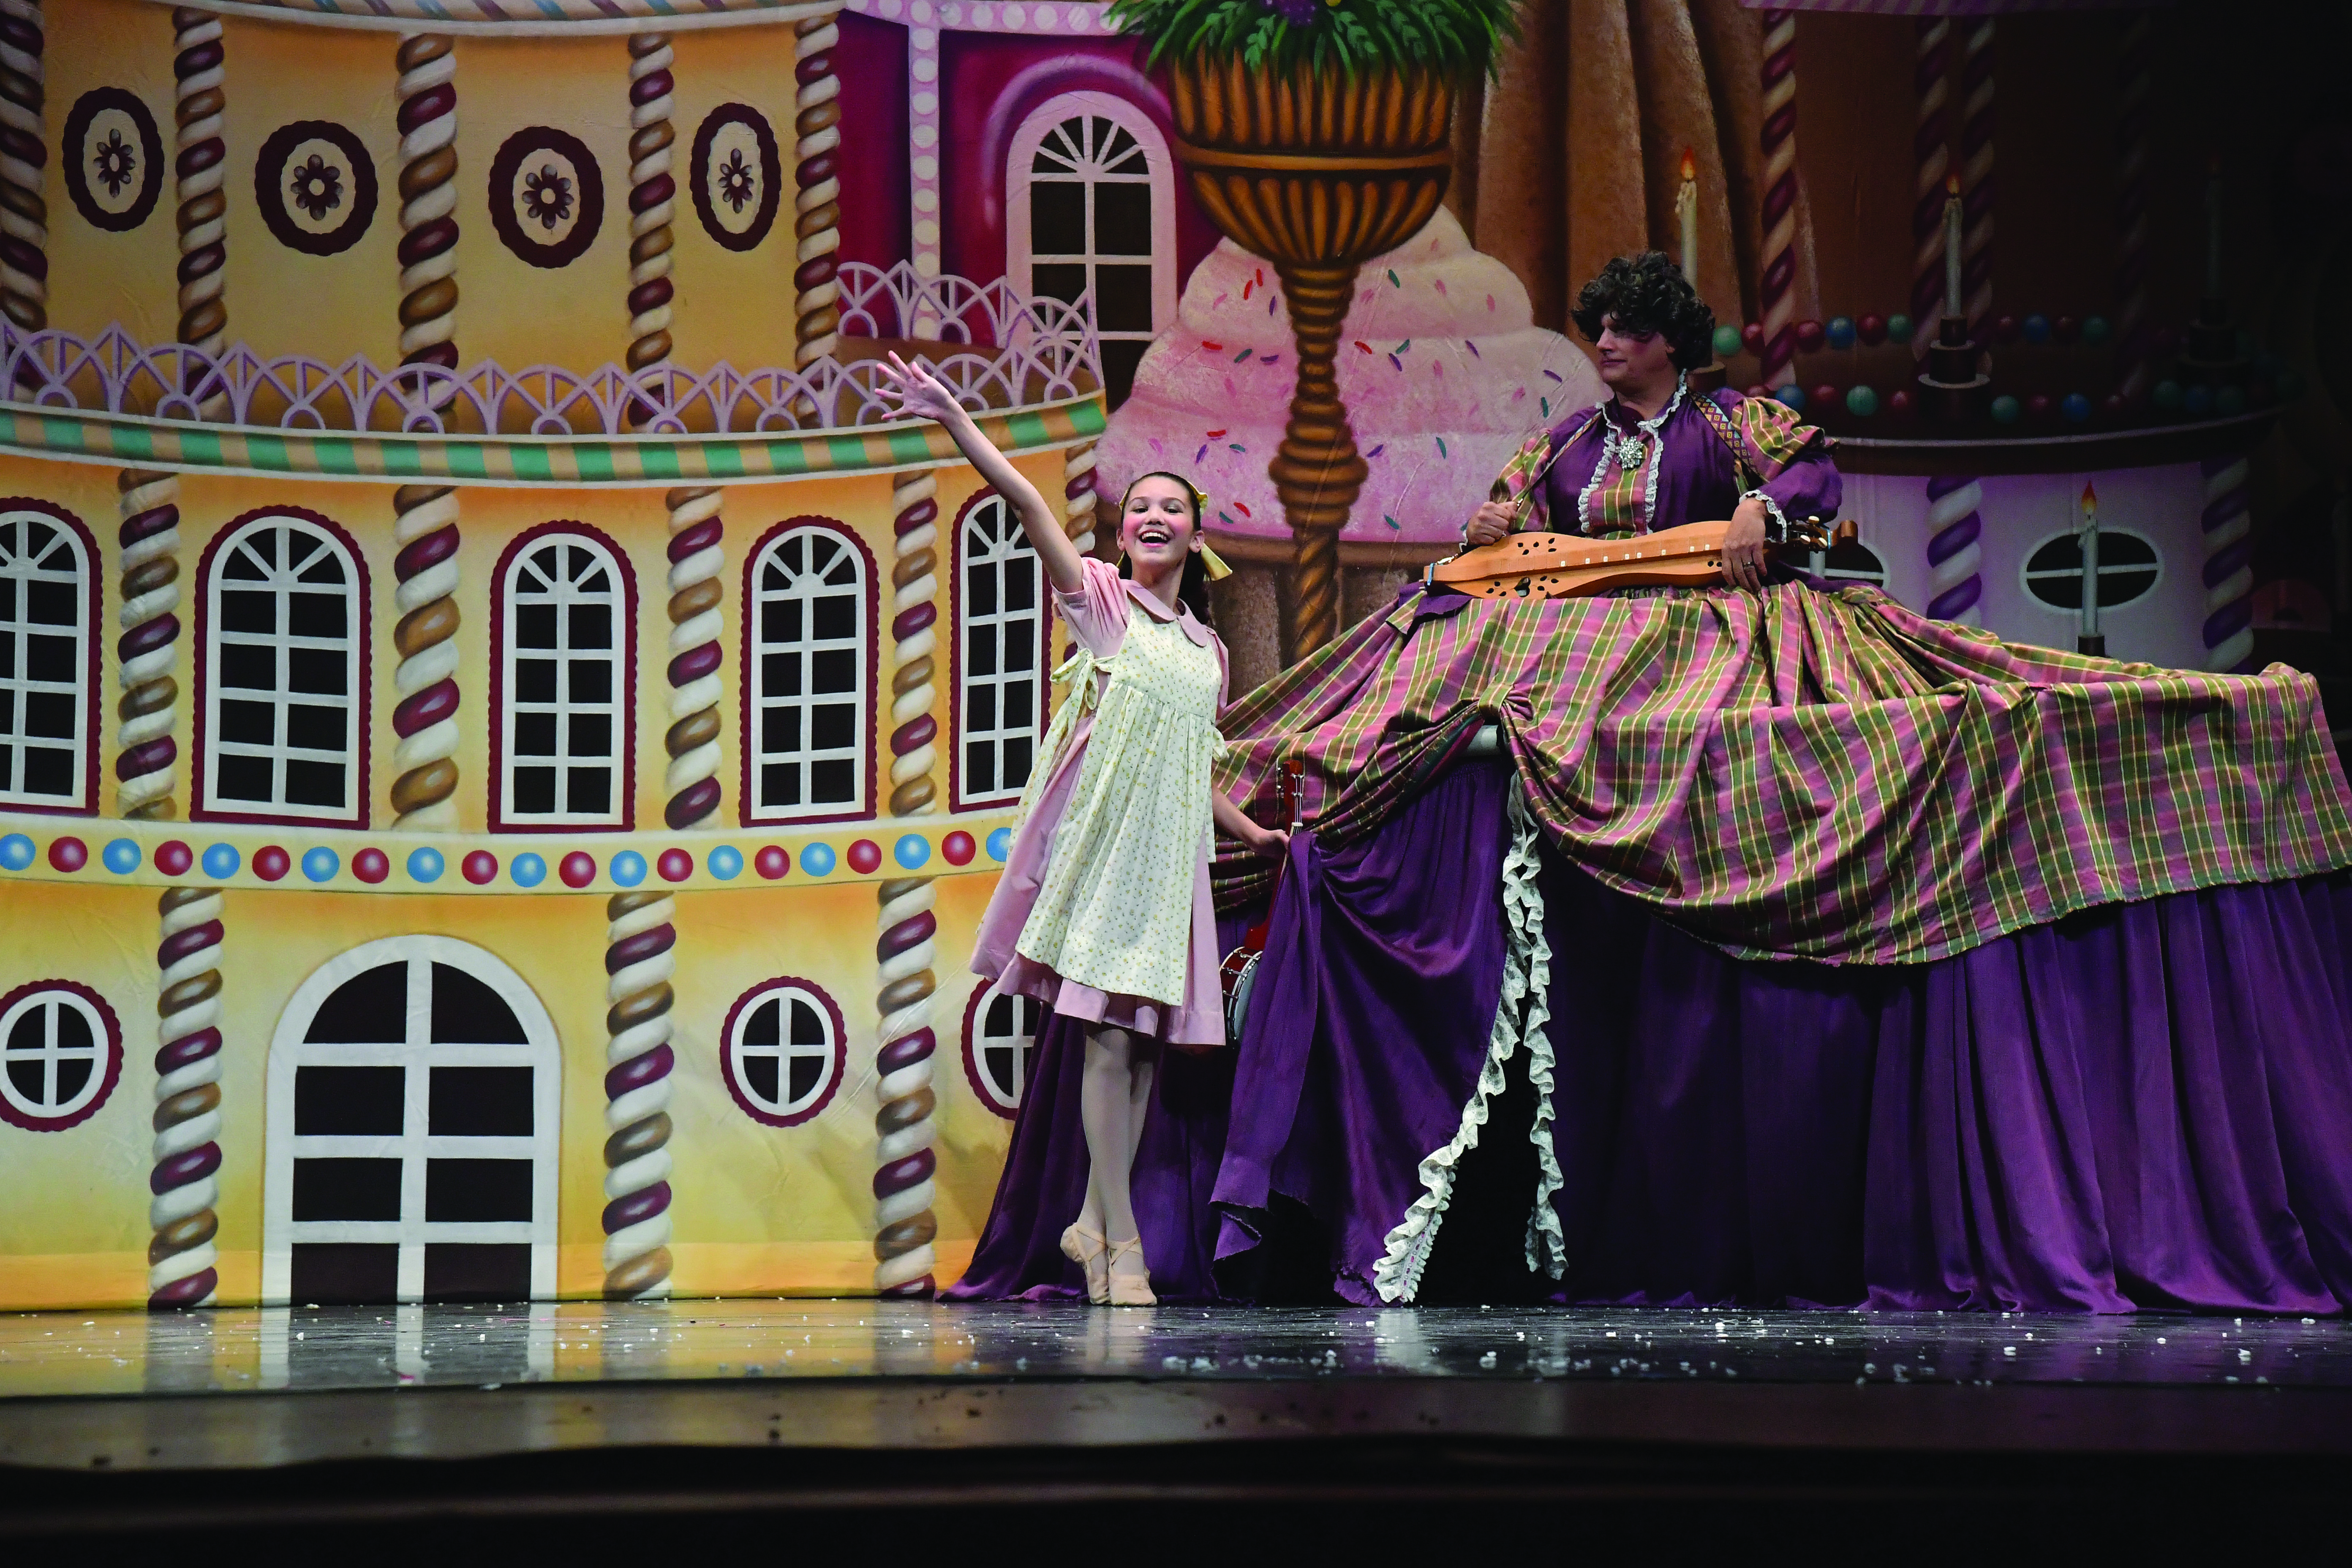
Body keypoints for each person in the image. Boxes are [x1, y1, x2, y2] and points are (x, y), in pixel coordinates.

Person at [879, 352, 1287, 1306]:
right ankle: (1123, 1246)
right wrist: (954, 418)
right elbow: (1025, 502)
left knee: (1140, 1049)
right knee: (1104, 1043)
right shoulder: (1106, 607)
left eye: (1169, 508)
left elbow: (1193, 767)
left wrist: (1246, 833)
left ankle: (1093, 1224)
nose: (1149, 517)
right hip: (1108, 856)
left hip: (1166, 866)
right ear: (1121, 530)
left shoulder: (1207, 653)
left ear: (1196, 537)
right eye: (1136, 506)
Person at [1464, 250, 1840, 591]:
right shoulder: (1564, 444)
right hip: (1578, 615)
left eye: (1623, 331)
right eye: (1603, 331)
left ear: (1671, 340)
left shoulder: (1730, 421)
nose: (1603, 344)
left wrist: (1757, 507)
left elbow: (1816, 470)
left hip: (1704, 612)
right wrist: (1483, 532)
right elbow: (1510, 554)